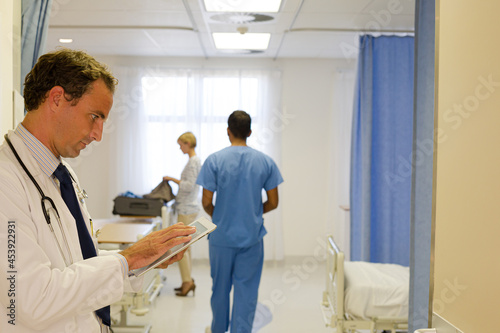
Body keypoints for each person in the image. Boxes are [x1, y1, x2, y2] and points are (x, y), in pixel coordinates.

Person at [0, 49, 195, 333]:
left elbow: (77, 263)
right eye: (94, 117)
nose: (98, 134)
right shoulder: (6, 180)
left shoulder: (63, 176)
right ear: (56, 99)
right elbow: (31, 300)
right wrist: (125, 260)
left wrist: (138, 260)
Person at [196, 110, 284, 333]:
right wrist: (253, 211)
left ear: (228, 131)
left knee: (220, 290)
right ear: (250, 132)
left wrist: (221, 215)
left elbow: (206, 201)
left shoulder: (214, 160)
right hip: (251, 239)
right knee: (246, 292)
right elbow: (273, 202)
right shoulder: (265, 161)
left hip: (221, 238)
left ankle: (218, 329)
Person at [162, 132, 201, 296]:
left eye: (181, 144)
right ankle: (188, 280)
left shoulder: (193, 162)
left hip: (186, 209)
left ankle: (187, 282)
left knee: (182, 248)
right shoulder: (194, 161)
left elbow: (188, 186)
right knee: (186, 247)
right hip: (187, 207)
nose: (180, 148)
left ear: (188, 143)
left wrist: (172, 179)